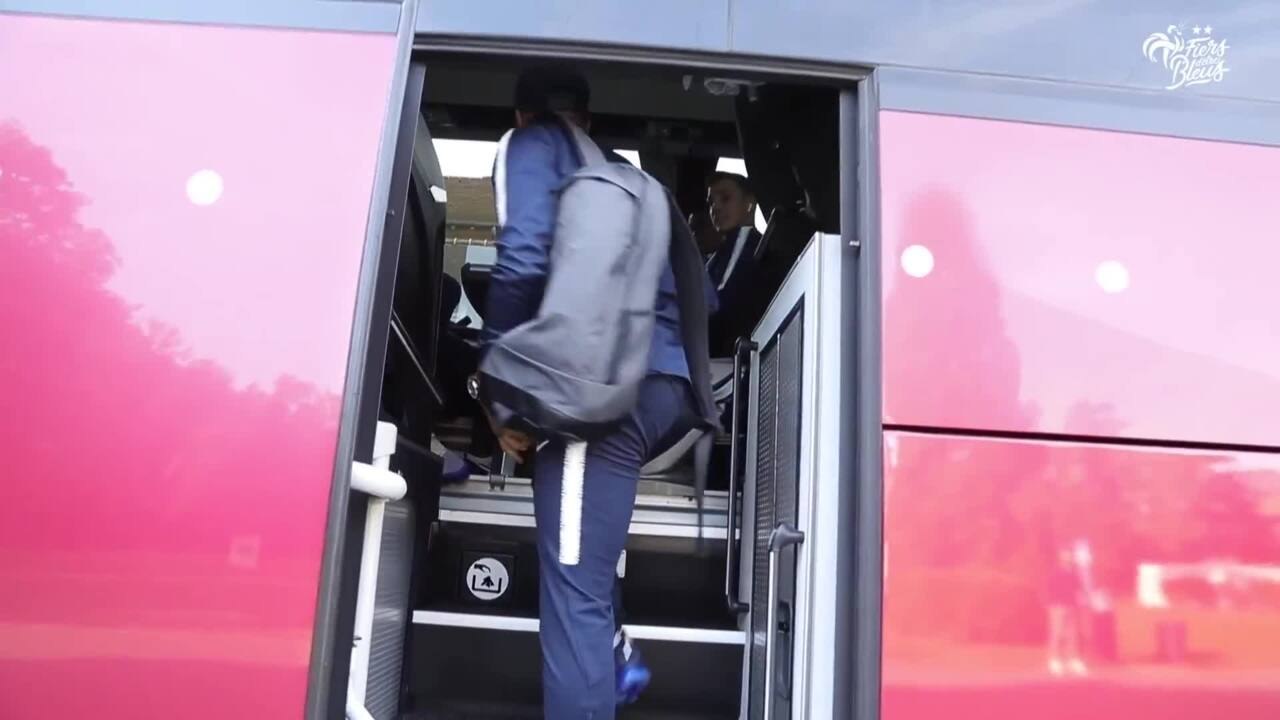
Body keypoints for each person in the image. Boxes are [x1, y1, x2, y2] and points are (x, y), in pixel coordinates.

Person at [478, 64, 716, 717]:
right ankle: (615, 660)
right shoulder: (635, 184)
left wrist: (503, 394)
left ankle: (603, 661)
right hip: (666, 390)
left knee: (572, 593)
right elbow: (706, 298)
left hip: (601, 400)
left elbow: (523, 257)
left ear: (523, 116)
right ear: (588, 116)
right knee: (586, 560)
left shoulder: (530, 148)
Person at [703, 171, 765, 357]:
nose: (716, 208)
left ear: (749, 203)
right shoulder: (717, 256)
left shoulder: (752, 246)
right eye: (711, 202)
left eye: (725, 198)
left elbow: (720, 300)